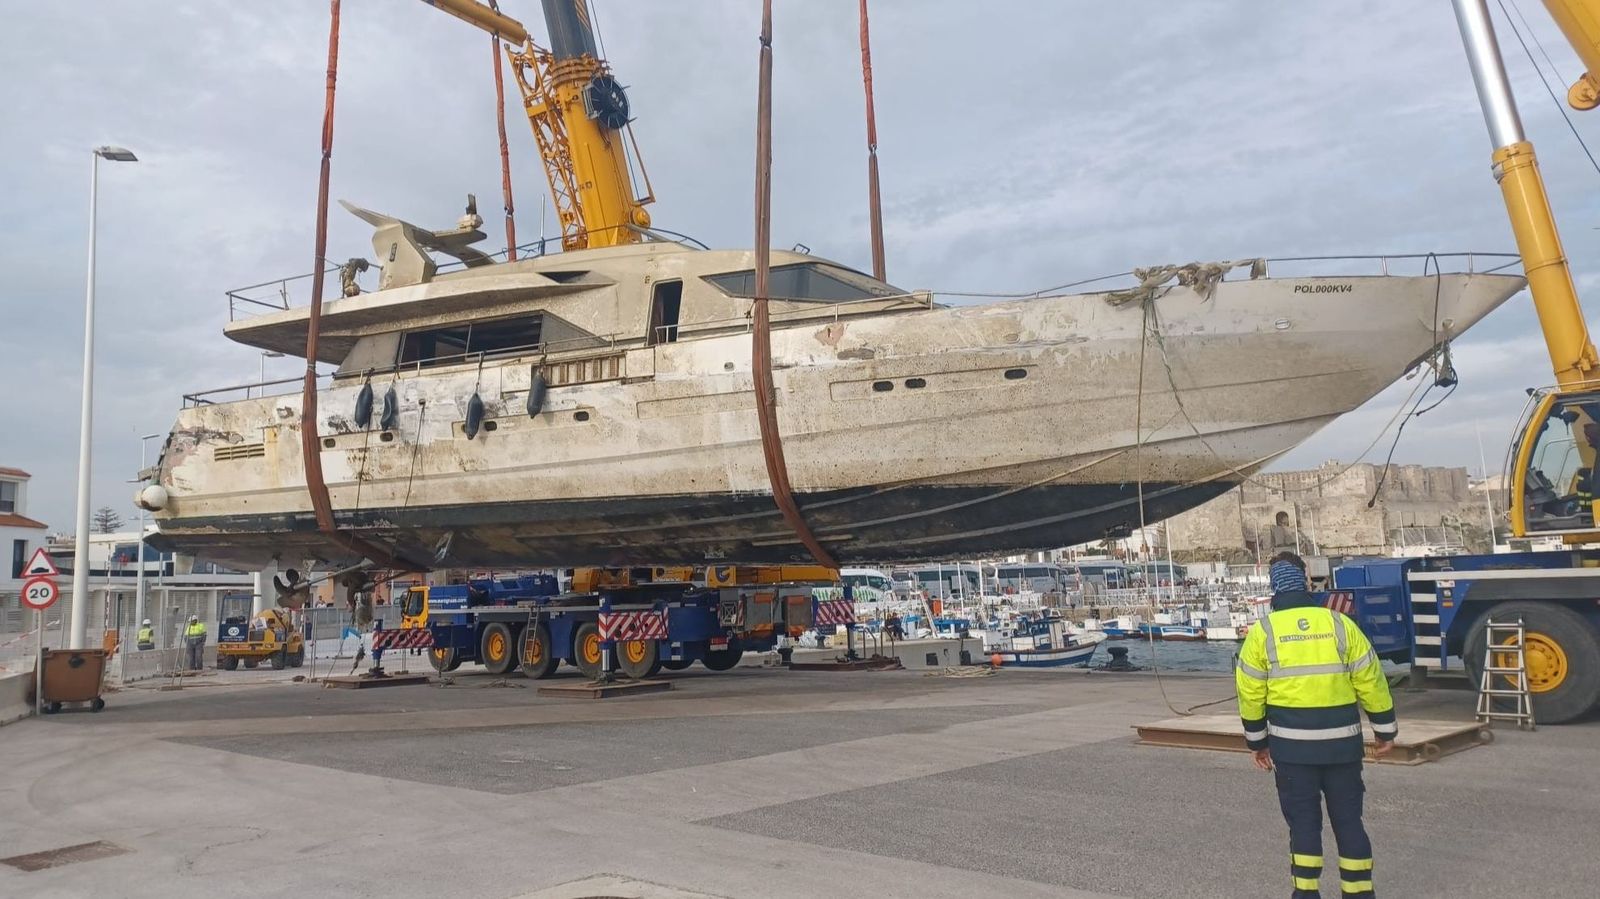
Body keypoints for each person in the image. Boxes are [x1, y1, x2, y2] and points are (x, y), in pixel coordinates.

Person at [1236, 556, 1397, 899]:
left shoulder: (1263, 632)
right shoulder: (1340, 624)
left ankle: (1306, 894)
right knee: (1349, 822)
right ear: (1307, 584)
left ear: (1274, 589)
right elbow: (1371, 679)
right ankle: (1359, 894)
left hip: (1292, 751)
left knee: (1304, 826)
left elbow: (1250, 693)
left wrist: (1257, 743)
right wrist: (1385, 731)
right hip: (1342, 748)